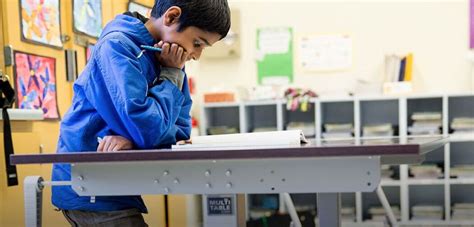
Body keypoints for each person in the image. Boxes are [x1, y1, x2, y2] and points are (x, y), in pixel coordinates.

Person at [51, 0, 231, 226]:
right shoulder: (117, 47)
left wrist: (133, 139)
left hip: (117, 183)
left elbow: (181, 130)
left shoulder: (170, 59)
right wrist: (145, 132)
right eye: (197, 43)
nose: (196, 55)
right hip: (89, 186)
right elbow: (153, 132)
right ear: (171, 17)